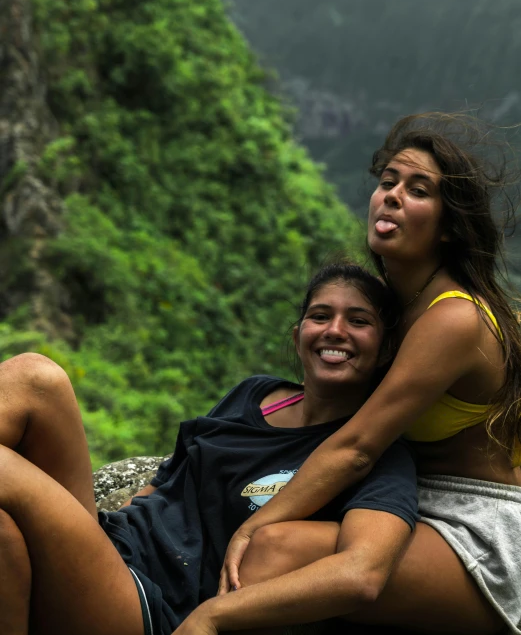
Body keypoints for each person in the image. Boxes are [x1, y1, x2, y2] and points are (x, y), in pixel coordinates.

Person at [214, 112, 521, 635]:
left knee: (271, 551)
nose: (393, 196)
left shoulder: (453, 316)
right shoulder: (399, 308)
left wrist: (257, 522)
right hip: (401, 503)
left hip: (478, 526)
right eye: (388, 183)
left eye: (418, 189)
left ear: (449, 227)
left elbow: (358, 446)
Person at [0, 262, 418, 635]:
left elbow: (363, 572)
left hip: (151, 602)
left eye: (358, 321)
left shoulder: (377, 455)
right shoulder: (254, 393)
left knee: (35, 377)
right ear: (297, 336)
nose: (334, 330)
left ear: (385, 351)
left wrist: (214, 615)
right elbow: (170, 478)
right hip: (106, 545)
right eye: (320, 316)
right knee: (34, 397)